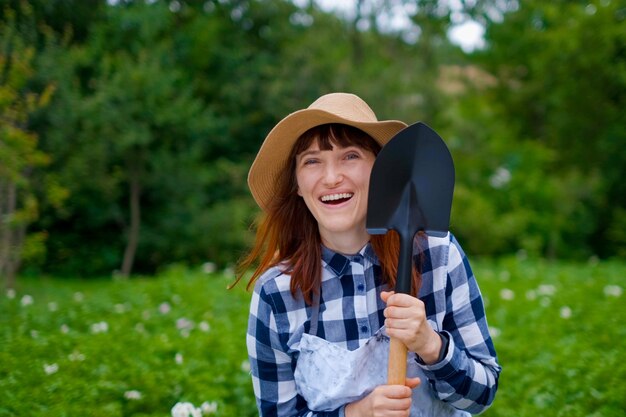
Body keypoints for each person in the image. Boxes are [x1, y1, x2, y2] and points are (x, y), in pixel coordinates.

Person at [236, 92, 501, 416]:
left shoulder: (437, 256)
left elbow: (482, 395)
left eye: (350, 156)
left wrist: (430, 345)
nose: (332, 178)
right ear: (297, 184)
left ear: (381, 170)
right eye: (312, 161)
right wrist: (357, 413)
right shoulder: (276, 292)